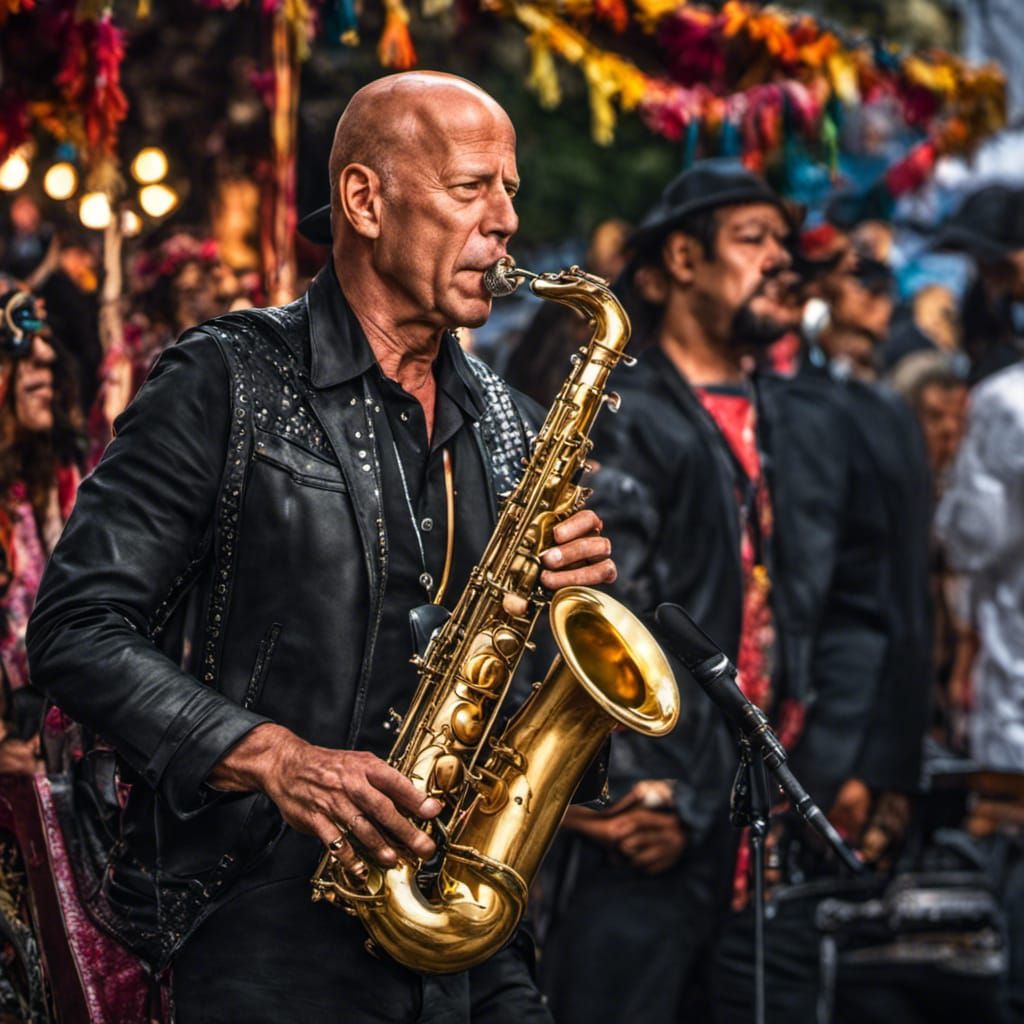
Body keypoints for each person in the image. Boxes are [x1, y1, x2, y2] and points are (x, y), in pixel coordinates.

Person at [26, 72, 617, 1023]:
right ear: (365, 200)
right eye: (473, 187)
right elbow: (75, 629)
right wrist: (270, 755)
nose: (506, 219)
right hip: (262, 924)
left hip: (464, 929)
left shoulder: (513, 422)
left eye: (510, 189)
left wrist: (560, 615)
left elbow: (526, 712)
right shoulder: (224, 379)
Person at [539, 160, 830, 1024]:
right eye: (753, 239)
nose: (782, 259)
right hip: (654, 834)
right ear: (677, 264)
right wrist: (642, 797)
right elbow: (608, 623)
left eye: (784, 240)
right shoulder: (626, 413)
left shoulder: (784, 413)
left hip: (745, 831)